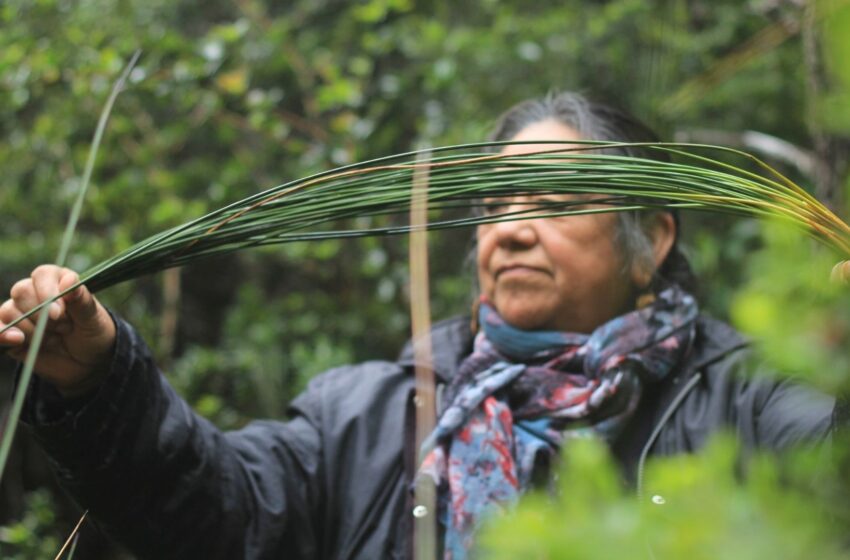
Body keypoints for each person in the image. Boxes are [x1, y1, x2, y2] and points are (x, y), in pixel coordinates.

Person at [0, 92, 836, 559]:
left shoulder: (741, 402)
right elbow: (216, 512)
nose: (510, 228)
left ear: (651, 239)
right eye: (496, 206)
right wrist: (101, 380)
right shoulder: (369, 418)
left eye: (553, 204)